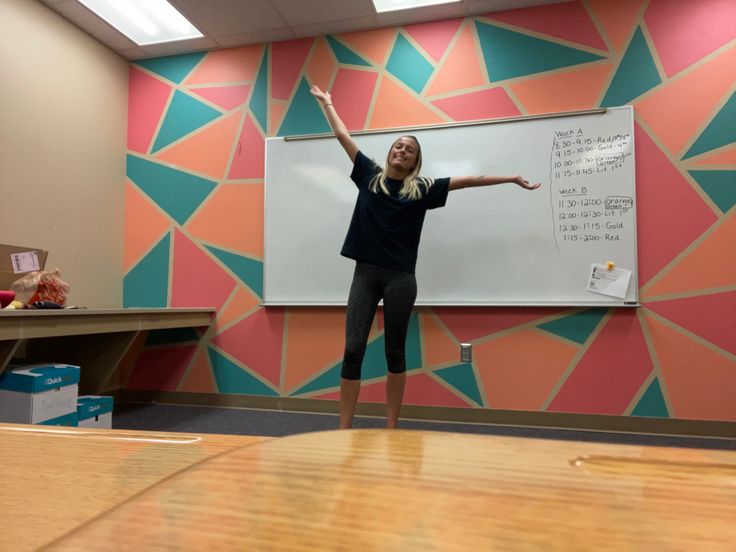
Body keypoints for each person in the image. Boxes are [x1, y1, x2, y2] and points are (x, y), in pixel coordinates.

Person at [309, 84, 540, 429]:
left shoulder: (422, 190)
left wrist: (511, 179)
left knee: (394, 351)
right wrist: (328, 104)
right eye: (398, 146)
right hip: (366, 275)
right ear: (390, 154)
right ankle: (343, 428)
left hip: (401, 278)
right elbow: (343, 135)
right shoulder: (369, 177)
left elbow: (470, 181)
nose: (403, 150)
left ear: (416, 161)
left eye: (410, 150)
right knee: (353, 349)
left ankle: (391, 428)